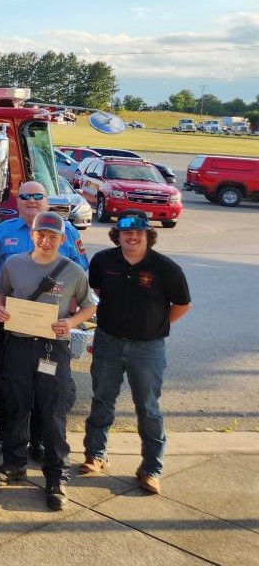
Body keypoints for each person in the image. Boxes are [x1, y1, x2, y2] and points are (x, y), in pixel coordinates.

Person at [0, 211, 96, 511]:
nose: (46, 241)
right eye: (41, 234)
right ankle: (13, 463)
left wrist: (71, 322)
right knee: (16, 405)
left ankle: (56, 476)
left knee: (52, 412)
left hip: (53, 347)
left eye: (52, 236)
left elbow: (89, 307)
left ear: (63, 240)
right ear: (32, 235)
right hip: (19, 344)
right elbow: (1, 294)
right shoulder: (14, 264)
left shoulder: (73, 271)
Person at [80, 211, 191, 495]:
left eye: (139, 233)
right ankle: (96, 455)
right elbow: (95, 293)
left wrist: (155, 325)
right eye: (126, 233)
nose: (132, 237)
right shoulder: (103, 261)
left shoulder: (166, 268)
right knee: (102, 400)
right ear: (117, 234)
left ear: (148, 236)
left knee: (149, 408)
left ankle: (151, 469)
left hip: (148, 348)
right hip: (108, 342)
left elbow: (181, 305)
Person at [0, 180, 88, 455]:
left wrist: (70, 318)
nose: (31, 200)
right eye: (25, 196)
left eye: (38, 196)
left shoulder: (66, 231)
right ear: (16, 201)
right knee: (7, 379)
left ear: (47, 200)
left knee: (48, 385)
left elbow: (81, 275)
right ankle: (6, 432)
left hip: (50, 328)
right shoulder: (1, 231)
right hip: (8, 320)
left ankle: (41, 437)